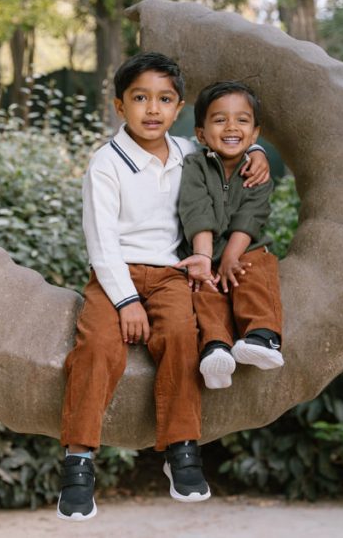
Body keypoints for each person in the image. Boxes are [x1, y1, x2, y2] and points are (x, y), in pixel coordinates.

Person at [57, 53, 269, 521]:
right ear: (119, 106)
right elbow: (101, 241)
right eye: (140, 98)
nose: (152, 109)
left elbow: (230, 152)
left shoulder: (191, 155)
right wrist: (126, 300)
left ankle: (182, 450)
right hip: (116, 274)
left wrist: (254, 154)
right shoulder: (106, 164)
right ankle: (78, 462)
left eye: (164, 99)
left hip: (174, 274)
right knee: (96, 348)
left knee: (180, 340)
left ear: (178, 109)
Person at [177, 81, 284, 391]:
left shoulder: (256, 170)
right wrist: (205, 258)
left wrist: (232, 257)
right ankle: (215, 347)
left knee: (256, 272)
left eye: (242, 120)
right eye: (219, 119)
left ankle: (261, 336)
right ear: (200, 133)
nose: (231, 127)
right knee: (201, 288)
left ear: (254, 134)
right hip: (203, 248)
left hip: (244, 247)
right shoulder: (194, 166)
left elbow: (251, 215)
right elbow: (197, 211)